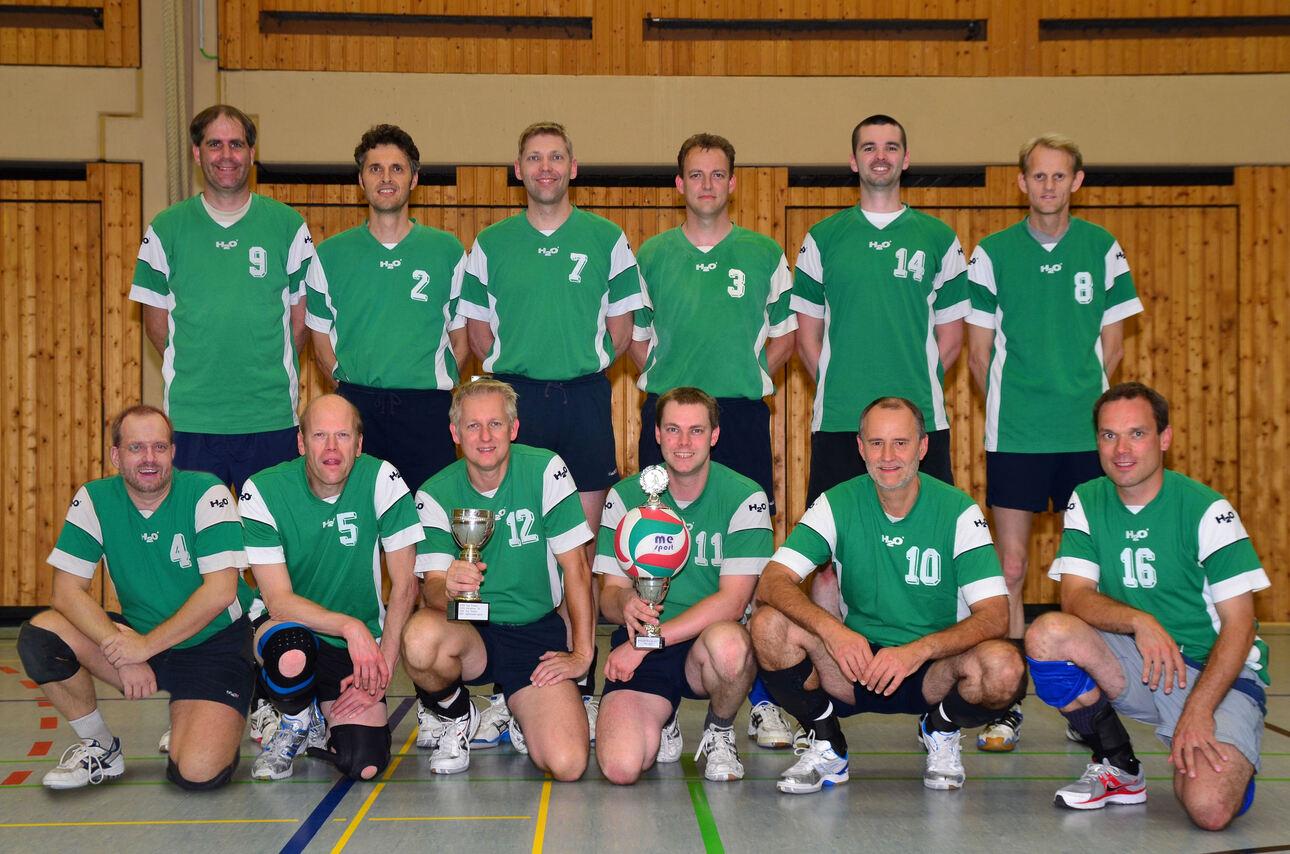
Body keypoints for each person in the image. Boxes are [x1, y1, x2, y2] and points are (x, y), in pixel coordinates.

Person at [966, 134, 1145, 750]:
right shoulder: (991, 254)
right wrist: (1013, 402)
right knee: (1011, 570)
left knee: (1088, 576)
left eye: (1058, 176)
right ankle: (1006, 704)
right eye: (1037, 176)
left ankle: (1094, 704)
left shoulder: (1102, 249)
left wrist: (1080, 398)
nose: (1047, 186)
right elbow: (978, 350)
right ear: (1022, 183)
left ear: (1077, 181)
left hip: (1082, 438)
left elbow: (1113, 343)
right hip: (1016, 434)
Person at [749, 397, 1024, 794]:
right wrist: (834, 632)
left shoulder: (959, 511)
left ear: (923, 447)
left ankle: (942, 728)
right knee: (768, 625)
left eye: (901, 442)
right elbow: (772, 581)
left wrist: (919, 651)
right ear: (860, 448)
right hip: (855, 663)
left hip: (932, 669)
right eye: (876, 443)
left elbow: (996, 615)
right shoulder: (835, 502)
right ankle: (827, 741)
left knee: (1004, 668)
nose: (888, 456)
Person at [1025, 382, 1269, 829]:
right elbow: (1075, 596)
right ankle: (1119, 765)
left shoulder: (1207, 510)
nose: (1121, 450)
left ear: (1165, 439)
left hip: (1213, 672)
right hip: (1139, 663)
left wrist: (1196, 711)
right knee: (1047, 633)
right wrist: (1140, 621)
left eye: (1136, 434)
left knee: (1209, 809)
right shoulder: (1088, 498)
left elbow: (1240, 625)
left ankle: (1226, 763)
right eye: (1108, 435)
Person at [16, 405, 254, 791]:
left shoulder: (206, 493)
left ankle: (208, 711)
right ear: (116, 455)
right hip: (137, 640)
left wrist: (143, 647)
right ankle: (101, 748)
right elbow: (66, 590)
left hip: (213, 645)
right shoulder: (94, 499)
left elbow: (221, 591)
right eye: (136, 448)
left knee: (197, 774)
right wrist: (120, 648)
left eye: (159, 447)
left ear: (173, 453)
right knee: (42, 636)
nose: (149, 459)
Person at [459, 121, 642, 549]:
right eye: (535, 157)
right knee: (514, 537)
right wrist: (517, 376)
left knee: (583, 543)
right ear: (518, 169)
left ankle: (578, 621)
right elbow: (478, 334)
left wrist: (574, 366)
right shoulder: (490, 243)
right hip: (515, 401)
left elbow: (621, 332)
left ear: (573, 167)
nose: (546, 167)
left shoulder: (607, 238)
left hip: (585, 400)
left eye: (556, 157)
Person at [401, 378, 595, 781]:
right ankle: (457, 713)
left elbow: (576, 569)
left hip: (534, 636)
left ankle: (518, 709)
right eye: (473, 426)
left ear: (514, 428)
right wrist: (448, 584)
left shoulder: (545, 470)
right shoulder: (434, 493)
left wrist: (582, 653)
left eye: (495, 424)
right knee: (419, 639)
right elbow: (432, 589)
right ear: (455, 433)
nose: (485, 436)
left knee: (569, 764)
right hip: (471, 632)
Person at [129, 104, 316, 489]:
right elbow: (156, 326)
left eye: (236, 144)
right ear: (197, 153)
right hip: (192, 421)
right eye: (215, 144)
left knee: (269, 544)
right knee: (195, 544)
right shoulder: (166, 228)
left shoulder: (287, 225)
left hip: (271, 419)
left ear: (251, 153)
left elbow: (300, 325)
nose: (226, 155)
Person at [238, 394, 423, 781]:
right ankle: (291, 720)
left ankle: (317, 715)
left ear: (359, 444)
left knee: (364, 764)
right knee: (291, 651)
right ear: (302, 442)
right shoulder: (263, 491)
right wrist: (349, 626)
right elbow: (279, 600)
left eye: (342, 435)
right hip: (288, 629)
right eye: (320, 435)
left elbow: (406, 585)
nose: (332, 448)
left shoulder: (382, 480)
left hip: (353, 649)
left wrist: (383, 667)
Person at [595, 387, 771, 784]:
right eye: (673, 430)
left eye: (696, 431)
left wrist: (644, 645)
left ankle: (720, 729)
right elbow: (608, 593)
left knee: (731, 646)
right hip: (644, 645)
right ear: (656, 434)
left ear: (714, 436)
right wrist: (624, 601)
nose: (684, 442)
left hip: (703, 645)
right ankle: (664, 718)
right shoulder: (626, 497)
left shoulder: (746, 497)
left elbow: (732, 602)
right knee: (621, 767)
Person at [793, 115, 969, 505]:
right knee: (828, 550)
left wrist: (914, 384)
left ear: (906, 159)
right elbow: (807, 340)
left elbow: (952, 340)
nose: (880, 156)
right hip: (840, 419)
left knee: (929, 536)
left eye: (891, 147)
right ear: (854, 161)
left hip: (921, 418)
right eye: (869, 147)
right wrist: (839, 385)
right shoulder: (822, 238)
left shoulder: (940, 238)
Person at [631, 133, 796, 516]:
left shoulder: (765, 253)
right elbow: (636, 338)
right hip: (667, 415)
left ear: (732, 183)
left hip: (740, 415)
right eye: (696, 175)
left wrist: (743, 375)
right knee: (657, 530)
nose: (707, 185)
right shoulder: (651, 255)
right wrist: (671, 383)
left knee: (748, 531)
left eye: (718, 175)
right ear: (680, 184)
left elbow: (785, 338)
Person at [306, 124, 469, 494]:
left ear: (414, 179)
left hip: (427, 411)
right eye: (375, 168)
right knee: (359, 524)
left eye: (397, 168)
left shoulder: (447, 250)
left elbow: (462, 340)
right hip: (358, 409)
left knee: (430, 526)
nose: (386, 178)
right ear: (360, 180)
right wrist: (355, 393)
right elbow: (319, 345)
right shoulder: (330, 255)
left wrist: (428, 388)